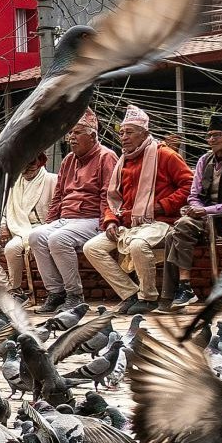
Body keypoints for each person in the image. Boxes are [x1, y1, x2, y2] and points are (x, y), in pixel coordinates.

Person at [83, 107, 193, 314]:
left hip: (161, 222)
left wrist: (163, 205)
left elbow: (189, 185)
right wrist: (111, 221)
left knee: (138, 245)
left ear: (144, 133)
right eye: (122, 133)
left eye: (129, 132)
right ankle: (130, 294)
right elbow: (112, 199)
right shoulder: (123, 161)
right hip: (129, 223)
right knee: (92, 248)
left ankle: (148, 297)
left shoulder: (165, 155)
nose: (124, 137)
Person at [30, 110, 118, 312]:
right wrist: (49, 222)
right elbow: (58, 196)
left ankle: (75, 295)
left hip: (92, 218)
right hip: (66, 219)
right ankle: (56, 293)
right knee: (36, 236)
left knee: (58, 239)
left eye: (77, 133)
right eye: (70, 133)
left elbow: (109, 194)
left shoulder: (107, 157)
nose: (71, 138)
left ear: (93, 136)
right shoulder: (68, 160)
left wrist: (108, 222)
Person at [166, 114, 222, 309]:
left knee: (176, 232)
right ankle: (184, 286)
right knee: (179, 228)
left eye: (218, 135)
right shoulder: (205, 160)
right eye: (210, 135)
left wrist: (205, 211)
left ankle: (176, 291)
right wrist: (195, 208)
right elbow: (193, 194)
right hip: (202, 218)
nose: (212, 139)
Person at [0, 152, 55, 298]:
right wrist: (3, 227)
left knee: (11, 248)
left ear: (39, 162)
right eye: (22, 166)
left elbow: (57, 210)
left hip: (38, 227)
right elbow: (5, 211)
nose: (26, 170)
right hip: (13, 225)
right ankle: (7, 288)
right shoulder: (13, 182)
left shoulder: (52, 180)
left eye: (31, 165)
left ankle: (14, 289)